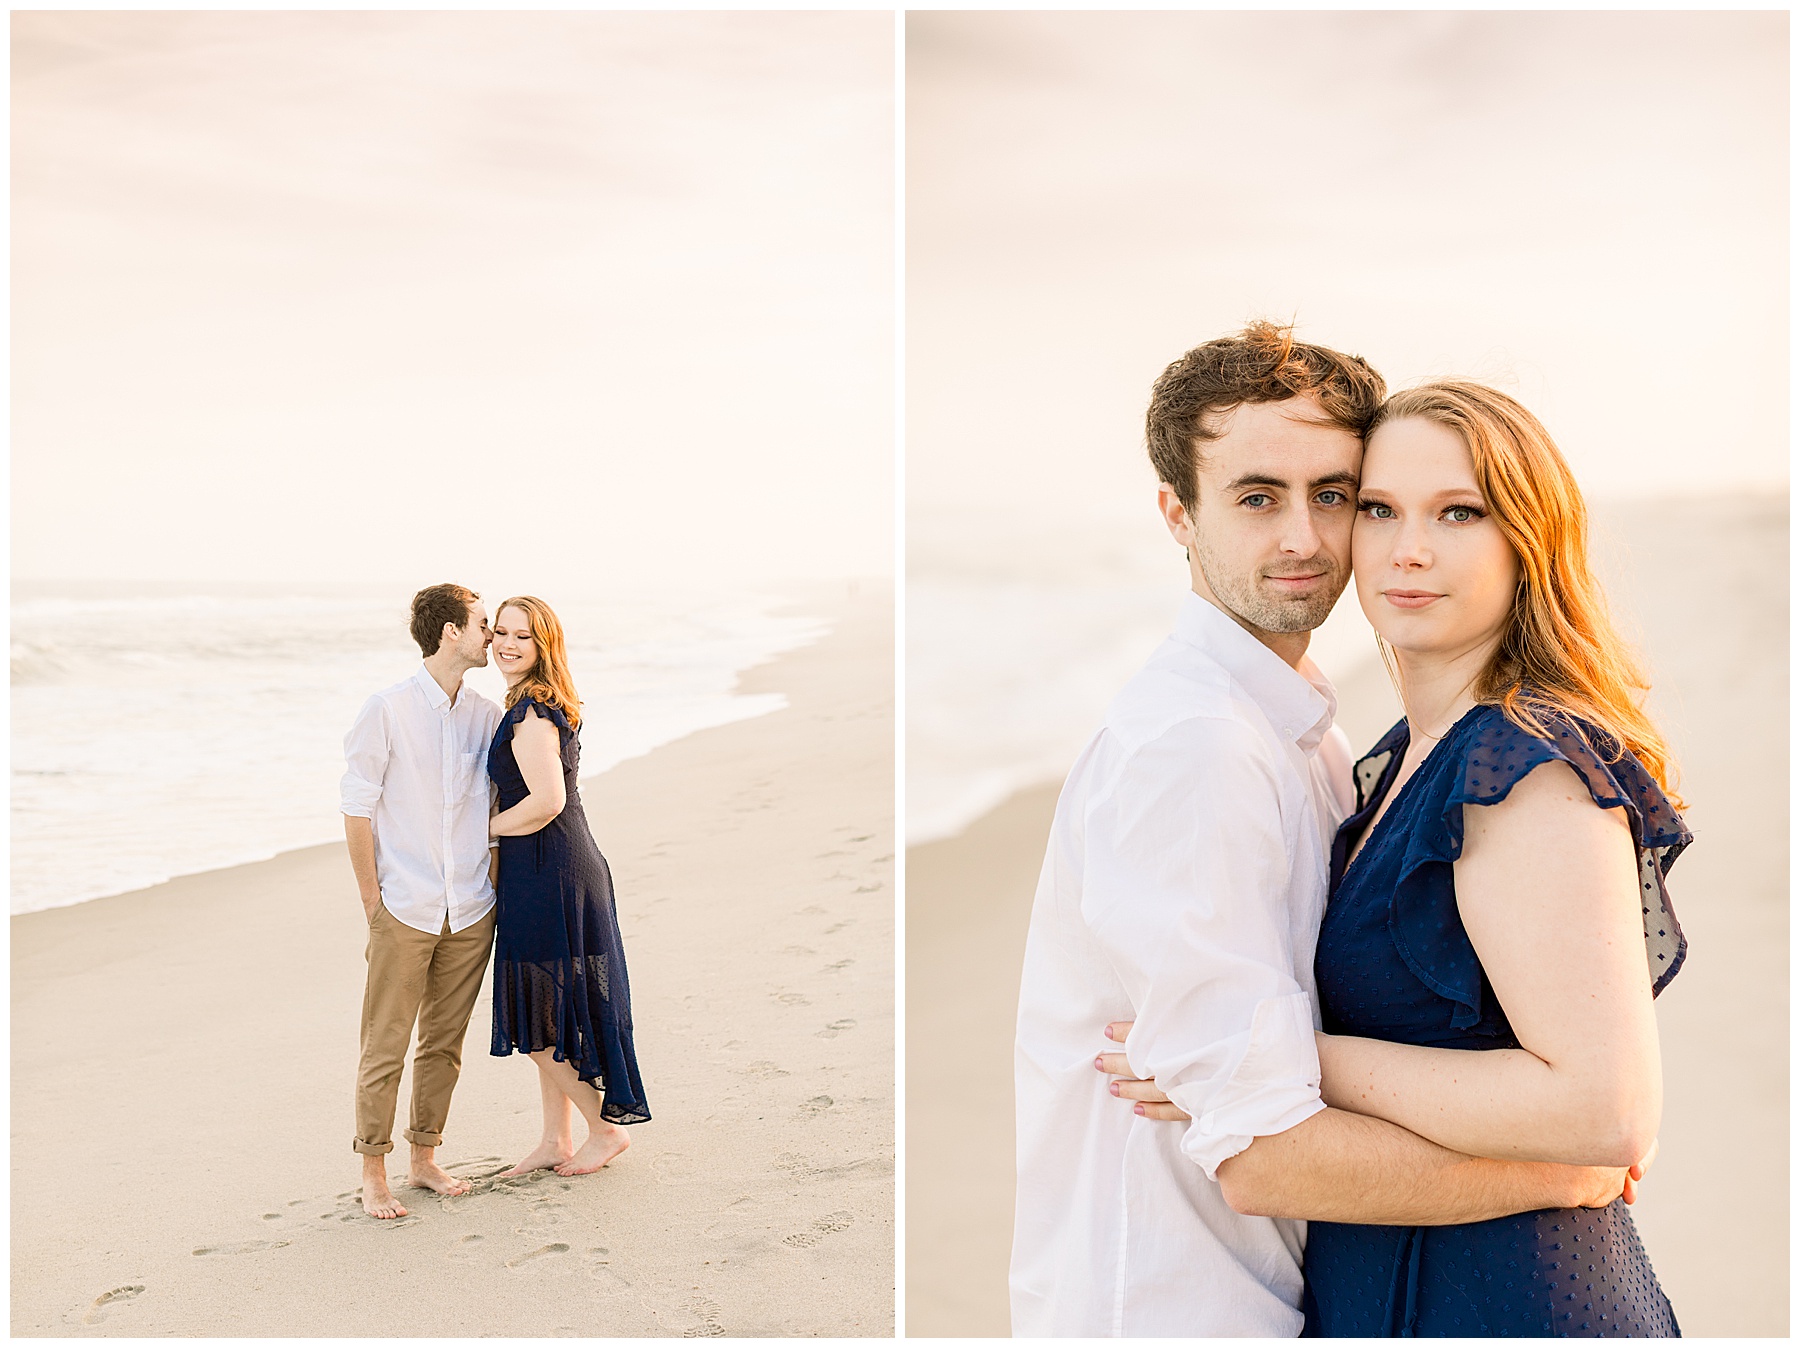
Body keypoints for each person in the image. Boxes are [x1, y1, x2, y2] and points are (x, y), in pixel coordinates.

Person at [1011, 325, 1647, 1337]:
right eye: (1258, 497)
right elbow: (1265, 1150)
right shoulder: (1197, 748)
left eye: (1337, 495)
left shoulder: (1316, 736)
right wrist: (1560, 1170)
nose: (1306, 536)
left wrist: (1294, 1055)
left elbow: (1593, 1085)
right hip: (1178, 1307)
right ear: (1178, 512)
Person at [341, 583, 502, 1220]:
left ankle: (425, 1157)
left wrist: (489, 886)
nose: (490, 636)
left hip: (469, 907)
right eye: (483, 625)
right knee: (385, 1042)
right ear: (450, 633)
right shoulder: (385, 709)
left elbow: (489, 809)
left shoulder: (486, 716)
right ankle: (372, 1170)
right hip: (403, 907)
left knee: (444, 1043)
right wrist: (372, 904)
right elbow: (356, 808)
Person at [486, 595, 650, 1177]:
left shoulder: (531, 711)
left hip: (548, 869)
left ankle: (603, 1131)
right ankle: (556, 1139)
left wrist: (479, 831)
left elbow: (548, 801)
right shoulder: (537, 702)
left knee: (531, 1019)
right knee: (548, 1009)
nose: (507, 644)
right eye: (501, 631)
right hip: (557, 864)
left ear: (543, 645)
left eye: (522, 637)